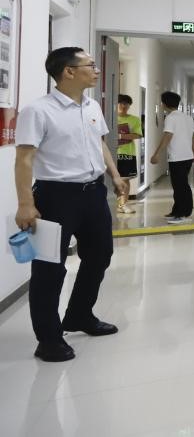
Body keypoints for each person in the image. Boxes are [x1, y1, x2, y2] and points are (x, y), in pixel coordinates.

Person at [15, 47, 129, 362]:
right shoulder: (38, 111)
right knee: (49, 269)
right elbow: (24, 159)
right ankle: (48, 339)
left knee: (100, 255)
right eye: (90, 65)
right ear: (68, 71)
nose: (96, 70)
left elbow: (100, 143)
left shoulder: (92, 106)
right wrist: (25, 204)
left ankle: (79, 314)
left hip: (93, 193)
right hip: (54, 196)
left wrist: (115, 175)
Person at [148, 92, 194, 224]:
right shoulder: (187, 117)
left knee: (180, 186)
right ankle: (177, 211)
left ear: (164, 104)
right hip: (187, 156)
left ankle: (183, 214)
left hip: (177, 157)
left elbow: (167, 136)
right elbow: (193, 136)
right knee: (181, 185)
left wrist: (156, 154)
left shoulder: (170, 118)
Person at [114, 94, 140, 215]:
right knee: (112, 180)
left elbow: (137, 135)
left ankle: (123, 204)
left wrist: (120, 136)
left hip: (127, 153)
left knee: (125, 179)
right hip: (111, 154)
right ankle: (115, 203)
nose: (123, 106)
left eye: (126, 104)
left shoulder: (134, 120)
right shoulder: (110, 118)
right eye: (121, 103)